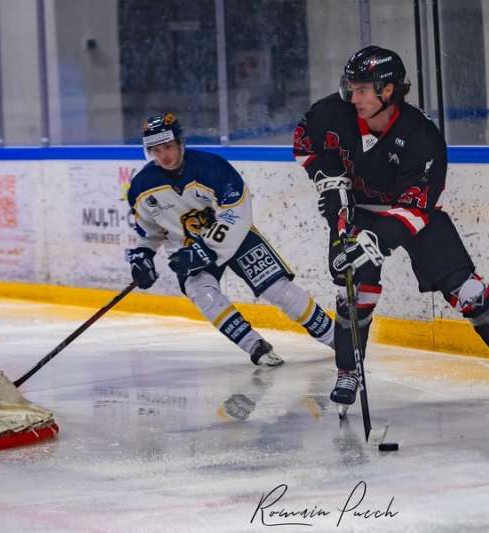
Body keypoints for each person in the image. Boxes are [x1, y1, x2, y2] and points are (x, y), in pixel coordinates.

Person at [292, 46, 489, 410]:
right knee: (355, 294)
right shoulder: (333, 113)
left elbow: (416, 208)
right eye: (351, 87)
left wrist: (374, 242)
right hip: (358, 211)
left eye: (364, 89)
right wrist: (329, 181)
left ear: (388, 90)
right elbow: (305, 144)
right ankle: (348, 373)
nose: (354, 97)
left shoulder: (420, 135)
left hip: (410, 213)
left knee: (469, 291)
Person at [127, 113, 334, 367]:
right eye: (156, 150)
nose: (164, 155)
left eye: (168, 146)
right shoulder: (141, 186)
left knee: (277, 289)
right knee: (202, 293)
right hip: (189, 247)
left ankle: (335, 336)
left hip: (237, 237)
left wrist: (207, 249)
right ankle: (254, 345)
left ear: (180, 142)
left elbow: (236, 213)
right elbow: (149, 232)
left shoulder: (213, 167)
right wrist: (143, 255)